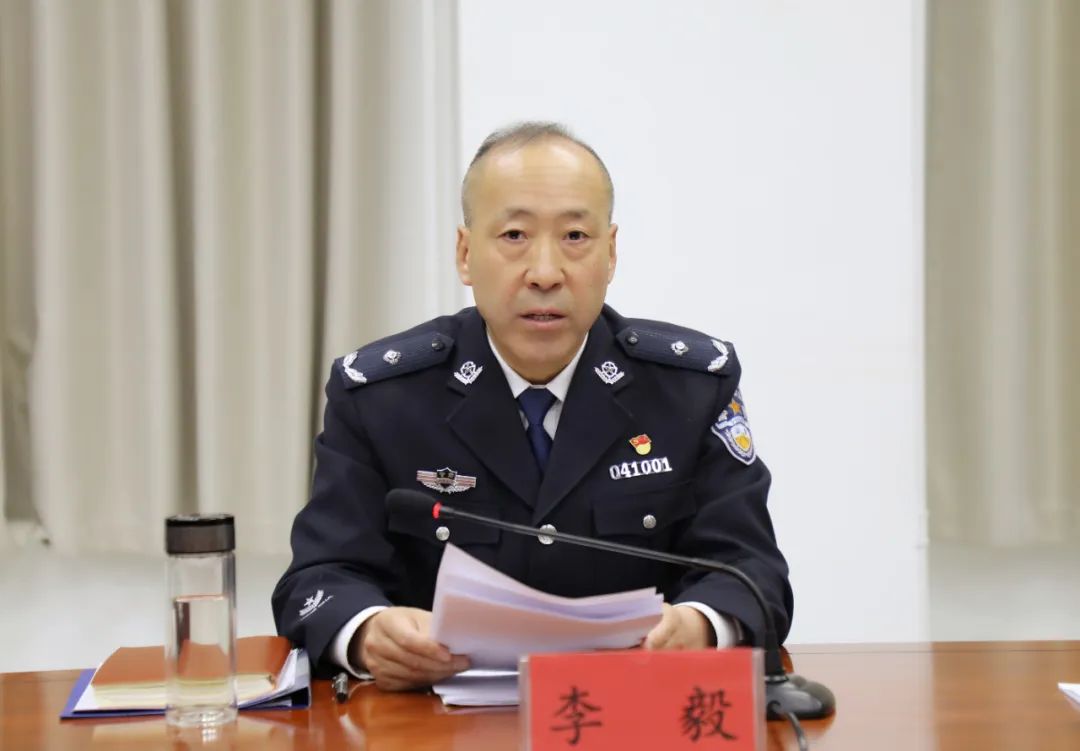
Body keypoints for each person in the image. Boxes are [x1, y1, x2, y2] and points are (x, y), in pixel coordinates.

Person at [272, 123, 793, 691]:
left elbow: (752, 571)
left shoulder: (689, 388)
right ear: (466, 254)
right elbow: (317, 580)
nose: (545, 273)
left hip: (636, 710)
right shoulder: (381, 398)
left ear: (610, 253)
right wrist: (368, 632)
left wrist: (700, 625)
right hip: (432, 721)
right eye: (515, 235)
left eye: (575, 236)